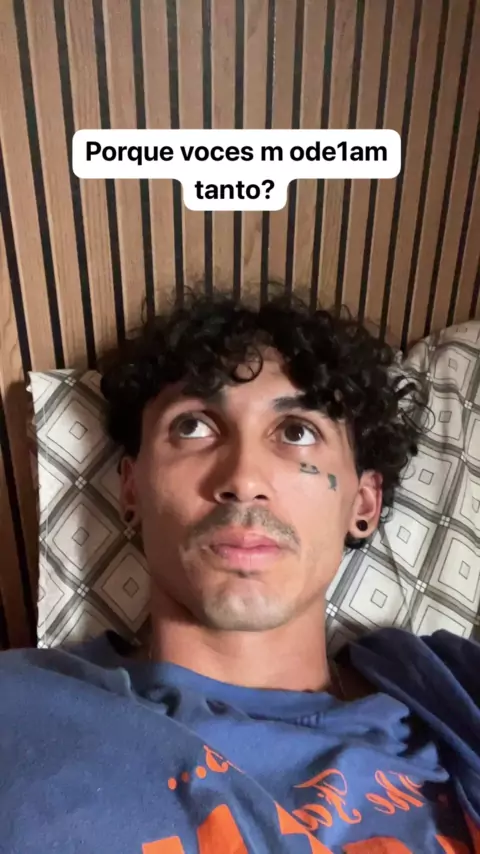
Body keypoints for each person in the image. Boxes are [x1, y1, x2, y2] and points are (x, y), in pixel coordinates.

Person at [1, 293, 480, 854]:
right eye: (193, 427)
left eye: (296, 432)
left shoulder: (452, 686)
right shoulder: (20, 708)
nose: (244, 478)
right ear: (130, 489)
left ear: (364, 503)